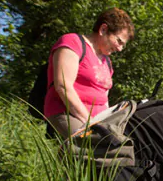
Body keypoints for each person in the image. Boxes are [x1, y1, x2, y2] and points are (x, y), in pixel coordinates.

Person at [44, 8, 134, 138]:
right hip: (66, 112)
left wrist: (106, 123)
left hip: (97, 119)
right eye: (119, 41)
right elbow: (63, 86)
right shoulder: (72, 43)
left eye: (123, 45)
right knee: (95, 146)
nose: (120, 49)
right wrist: (91, 123)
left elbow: (104, 98)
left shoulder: (107, 62)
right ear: (103, 29)